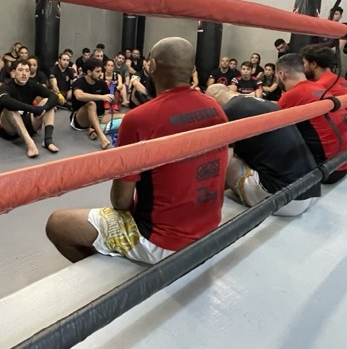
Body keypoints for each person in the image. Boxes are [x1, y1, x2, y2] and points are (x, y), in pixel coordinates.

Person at [46, 37, 229, 264]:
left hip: (162, 242)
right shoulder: (214, 107)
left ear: (152, 66)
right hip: (210, 228)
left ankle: (117, 275)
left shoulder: (139, 119)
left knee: (58, 224)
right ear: (192, 70)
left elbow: (120, 202)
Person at [206, 83, 320, 215]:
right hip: (312, 188)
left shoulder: (228, 112)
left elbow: (224, 160)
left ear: (213, 100)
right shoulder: (266, 104)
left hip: (286, 199)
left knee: (222, 156)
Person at [276, 53, 347, 184]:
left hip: (327, 171)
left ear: (281, 74)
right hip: (342, 162)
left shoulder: (291, 95)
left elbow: (270, 121)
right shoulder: (319, 86)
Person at [0, 59, 59, 158]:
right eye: (20, 70)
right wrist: (33, 109)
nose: (24, 74)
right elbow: (4, 100)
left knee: (48, 103)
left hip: (28, 123)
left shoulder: (33, 84)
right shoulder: (6, 86)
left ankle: (48, 140)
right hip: (9, 129)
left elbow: (54, 96)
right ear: (13, 72)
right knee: (10, 108)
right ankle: (30, 143)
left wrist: (44, 108)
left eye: (27, 71)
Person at [70, 58, 124, 150]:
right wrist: (101, 97)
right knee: (91, 104)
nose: (101, 74)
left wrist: (115, 90)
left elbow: (112, 101)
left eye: (101, 71)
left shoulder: (101, 83)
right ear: (89, 72)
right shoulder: (79, 82)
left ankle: (93, 129)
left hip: (98, 116)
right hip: (80, 119)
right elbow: (79, 96)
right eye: (98, 71)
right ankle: (102, 138)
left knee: (125, 116)